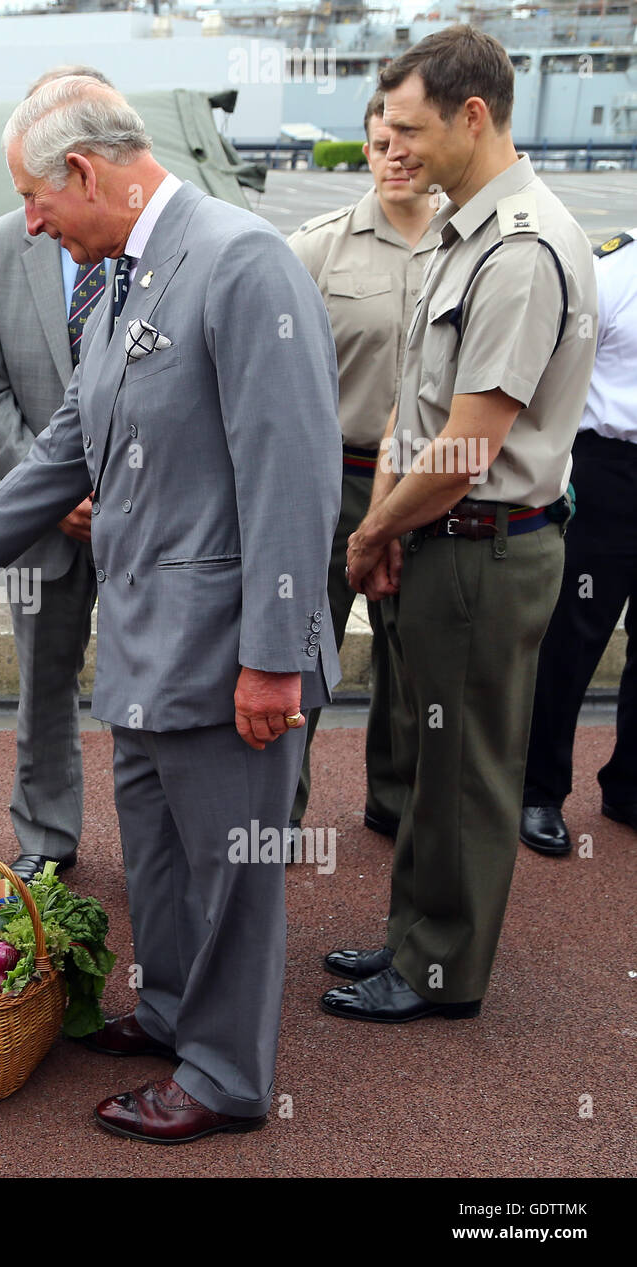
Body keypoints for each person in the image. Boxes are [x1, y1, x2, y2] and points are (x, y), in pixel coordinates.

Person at [0, 76, 341, 1143]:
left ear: (83, 172)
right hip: (142, 649)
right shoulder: (126, 276)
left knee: (234, 872)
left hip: (225, 656)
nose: (29, 223)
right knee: (163, 859)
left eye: (35, 198)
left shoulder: (240, 259)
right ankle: (170, 1011)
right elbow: (59, 453)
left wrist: (275, 657)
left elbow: (293, 475)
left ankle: (223, 1075)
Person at [325, 26, 598, 1022]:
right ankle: (412, 939)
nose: (393, 145)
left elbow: (469, 445)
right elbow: (413, 402)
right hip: (445, 536)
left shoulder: (520, 249)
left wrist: (367, 534)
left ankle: (440, 971)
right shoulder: (467, 227)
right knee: (430, 759)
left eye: (409, 126)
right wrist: (397, 520)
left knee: (467, 771)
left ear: (471, 117)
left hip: (486, 544)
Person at [0, 64, 116, 886]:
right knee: (43, 690)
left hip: (145, 521)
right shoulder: (0, 242)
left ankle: (161, 841)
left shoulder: (156, 239)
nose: (32, 214)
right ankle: (47, 840)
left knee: (150, 691)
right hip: (45, 529)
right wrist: (47, 493)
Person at [286, 90, 440, 837]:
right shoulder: (318, 246)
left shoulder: (469, 244)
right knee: (303, 649)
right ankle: (279, 812)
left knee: (412, 662)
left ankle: (396, 802)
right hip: (331, 477)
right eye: (380, 145)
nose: (394, 160)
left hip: (429, 483)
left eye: (408, 144)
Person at [520, 226, 637, 855]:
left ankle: (629, 787)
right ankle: (539, 791)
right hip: (609, 471)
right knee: (573, 636)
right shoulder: (616, 270)